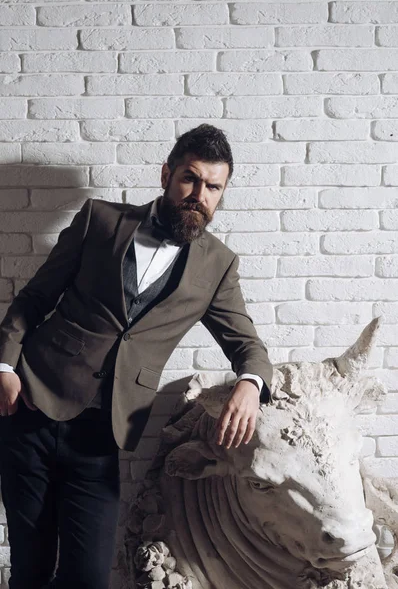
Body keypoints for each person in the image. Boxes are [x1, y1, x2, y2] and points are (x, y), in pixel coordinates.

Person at [0, 124, 273, 589]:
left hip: (100, 435)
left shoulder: (218, 265)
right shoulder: (100, 220)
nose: (199, 194)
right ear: (167, 173)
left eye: (213, 187)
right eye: (190, 178)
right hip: (31, 407)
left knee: (87, 577)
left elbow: (247, 345)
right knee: (30, 568)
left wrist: (251, 383)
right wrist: (4, 365)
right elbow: (35, 297)